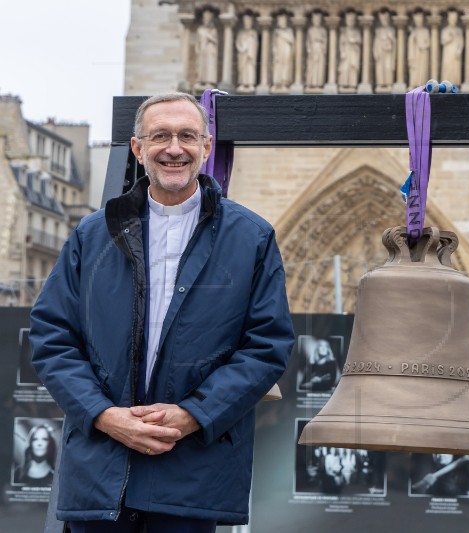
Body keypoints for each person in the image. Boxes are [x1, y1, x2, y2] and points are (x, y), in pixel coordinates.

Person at [29, 92, 295, 532]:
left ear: (207, 148)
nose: (175, 148)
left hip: (191, 476)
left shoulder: (252, 238)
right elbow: (52, 336)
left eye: (188, 136)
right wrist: (103, 415)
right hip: (101, 475)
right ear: (138, 149)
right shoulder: (92, 235)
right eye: (160, 136)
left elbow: (266, 347)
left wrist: (194, 415)